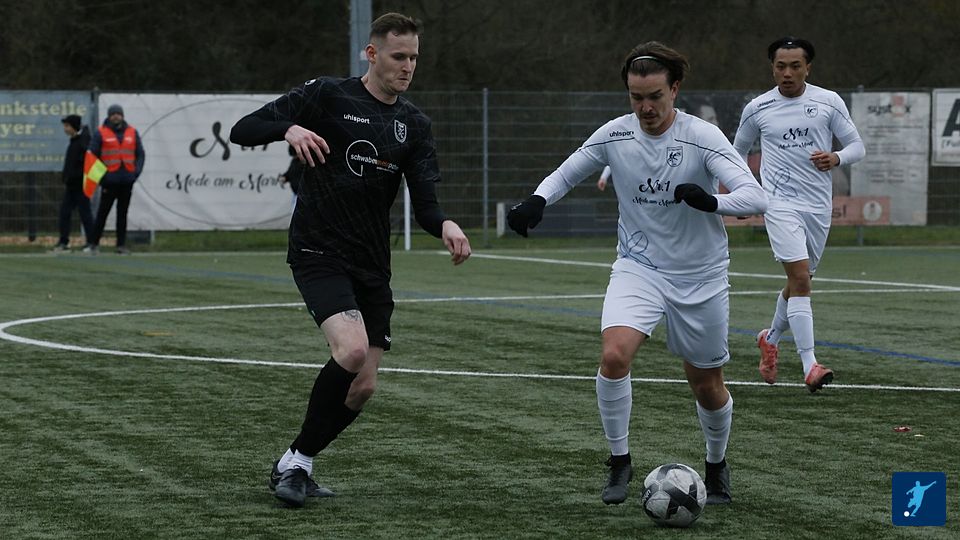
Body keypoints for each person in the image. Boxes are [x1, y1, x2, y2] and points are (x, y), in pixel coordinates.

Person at [507, 41, 767, 506]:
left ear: (675, 90)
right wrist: (537, 200)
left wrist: (711, 201)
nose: (645, 107)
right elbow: (566, 173)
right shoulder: (615, 134)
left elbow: (755, 197)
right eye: (636, 97)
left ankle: (716, 465)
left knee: (707, 385)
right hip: (638, 267)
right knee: (614, 356)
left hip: (700, 275)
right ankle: (619, 461)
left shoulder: (702, 136)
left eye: (655, 97)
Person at [229, 12, 472, 508]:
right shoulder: (328, 94)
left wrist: (445, 224)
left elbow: (425, 204)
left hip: (371, 263)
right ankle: (298, 465)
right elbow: (242, 129)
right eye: (399, 56)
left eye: (414, 58)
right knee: (352, 349)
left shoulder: (414, 125)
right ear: (372, 53)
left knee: (362, 388)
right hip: (318, 249)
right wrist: (289, 129)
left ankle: (295, 460)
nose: (408, 67)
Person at [733, 37, 865, 392]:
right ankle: (810, 365)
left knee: (800, 281)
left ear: (808, 67)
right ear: (772, 68)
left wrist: (836, 158)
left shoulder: (828, 101)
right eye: (781, 66)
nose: (787, 73)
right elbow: (736, 153)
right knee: (801, 280)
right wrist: (744, 193)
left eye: (795, 66)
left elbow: (857, 147)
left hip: (818, 205)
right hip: (778, 204)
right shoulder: (758, 107)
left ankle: (770, 338)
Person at [85, 104, 145, 255]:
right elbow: (92, 156)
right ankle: (94, 243)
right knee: (102, 213)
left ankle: (121, 245)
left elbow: (140, 154)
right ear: (109, 116)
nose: (116, 116)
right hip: (109, 180)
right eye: (113, 114)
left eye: (118, 114)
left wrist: (135, 173)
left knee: (122, 214)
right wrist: (102, 178)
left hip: (127, 180)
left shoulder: (132, 132)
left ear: (122, 115)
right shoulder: (101, 132)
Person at [51, 115, 95, 252]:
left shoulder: (84, 142)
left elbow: (85, 163)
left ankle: (92, 242)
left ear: (74, 126)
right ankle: (64, 241)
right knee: (65, 212)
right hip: (71, 184)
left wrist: (76, 176)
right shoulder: (75, 141)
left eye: (67, 126)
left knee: (85, 213)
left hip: (80, 184)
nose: (65, 129)